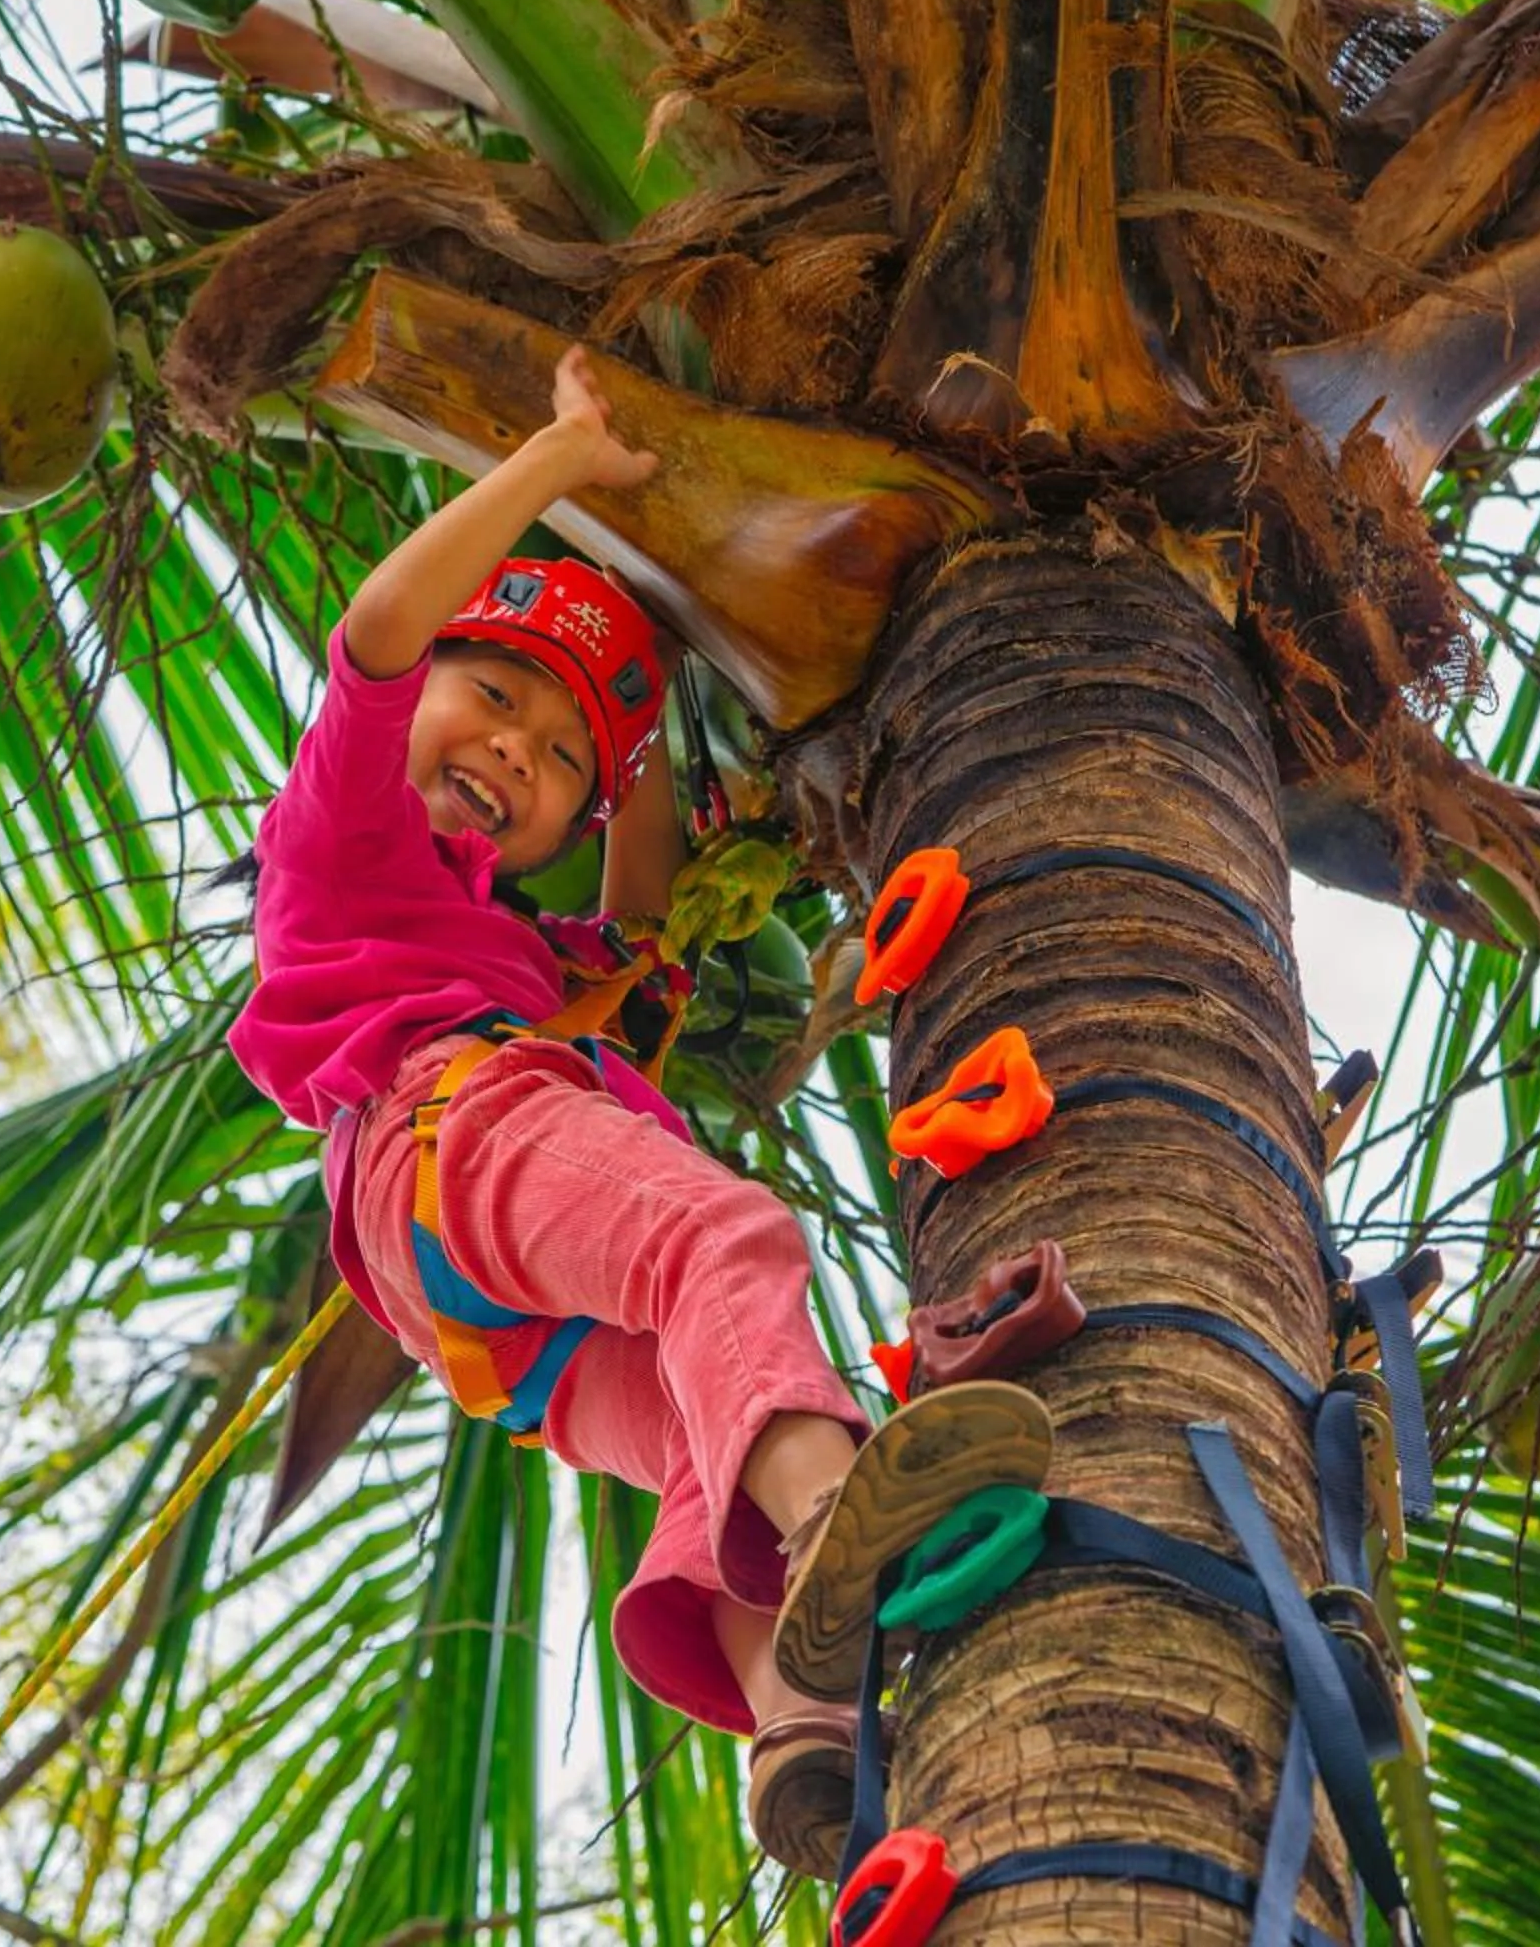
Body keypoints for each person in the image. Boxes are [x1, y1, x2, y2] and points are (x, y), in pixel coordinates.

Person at [226, 345, 1054, 1877]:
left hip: (483, 1318)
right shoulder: (343, 836)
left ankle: (794, 1722)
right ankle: (832, 1519)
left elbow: (646, 916)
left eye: (553, 767)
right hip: (448, 1128)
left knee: (696, 1429)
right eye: (493, 701)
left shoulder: (523, 953)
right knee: (716, 1232)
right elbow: (382, 636)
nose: (509, 757)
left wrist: (661, 647)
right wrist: (564, 468)